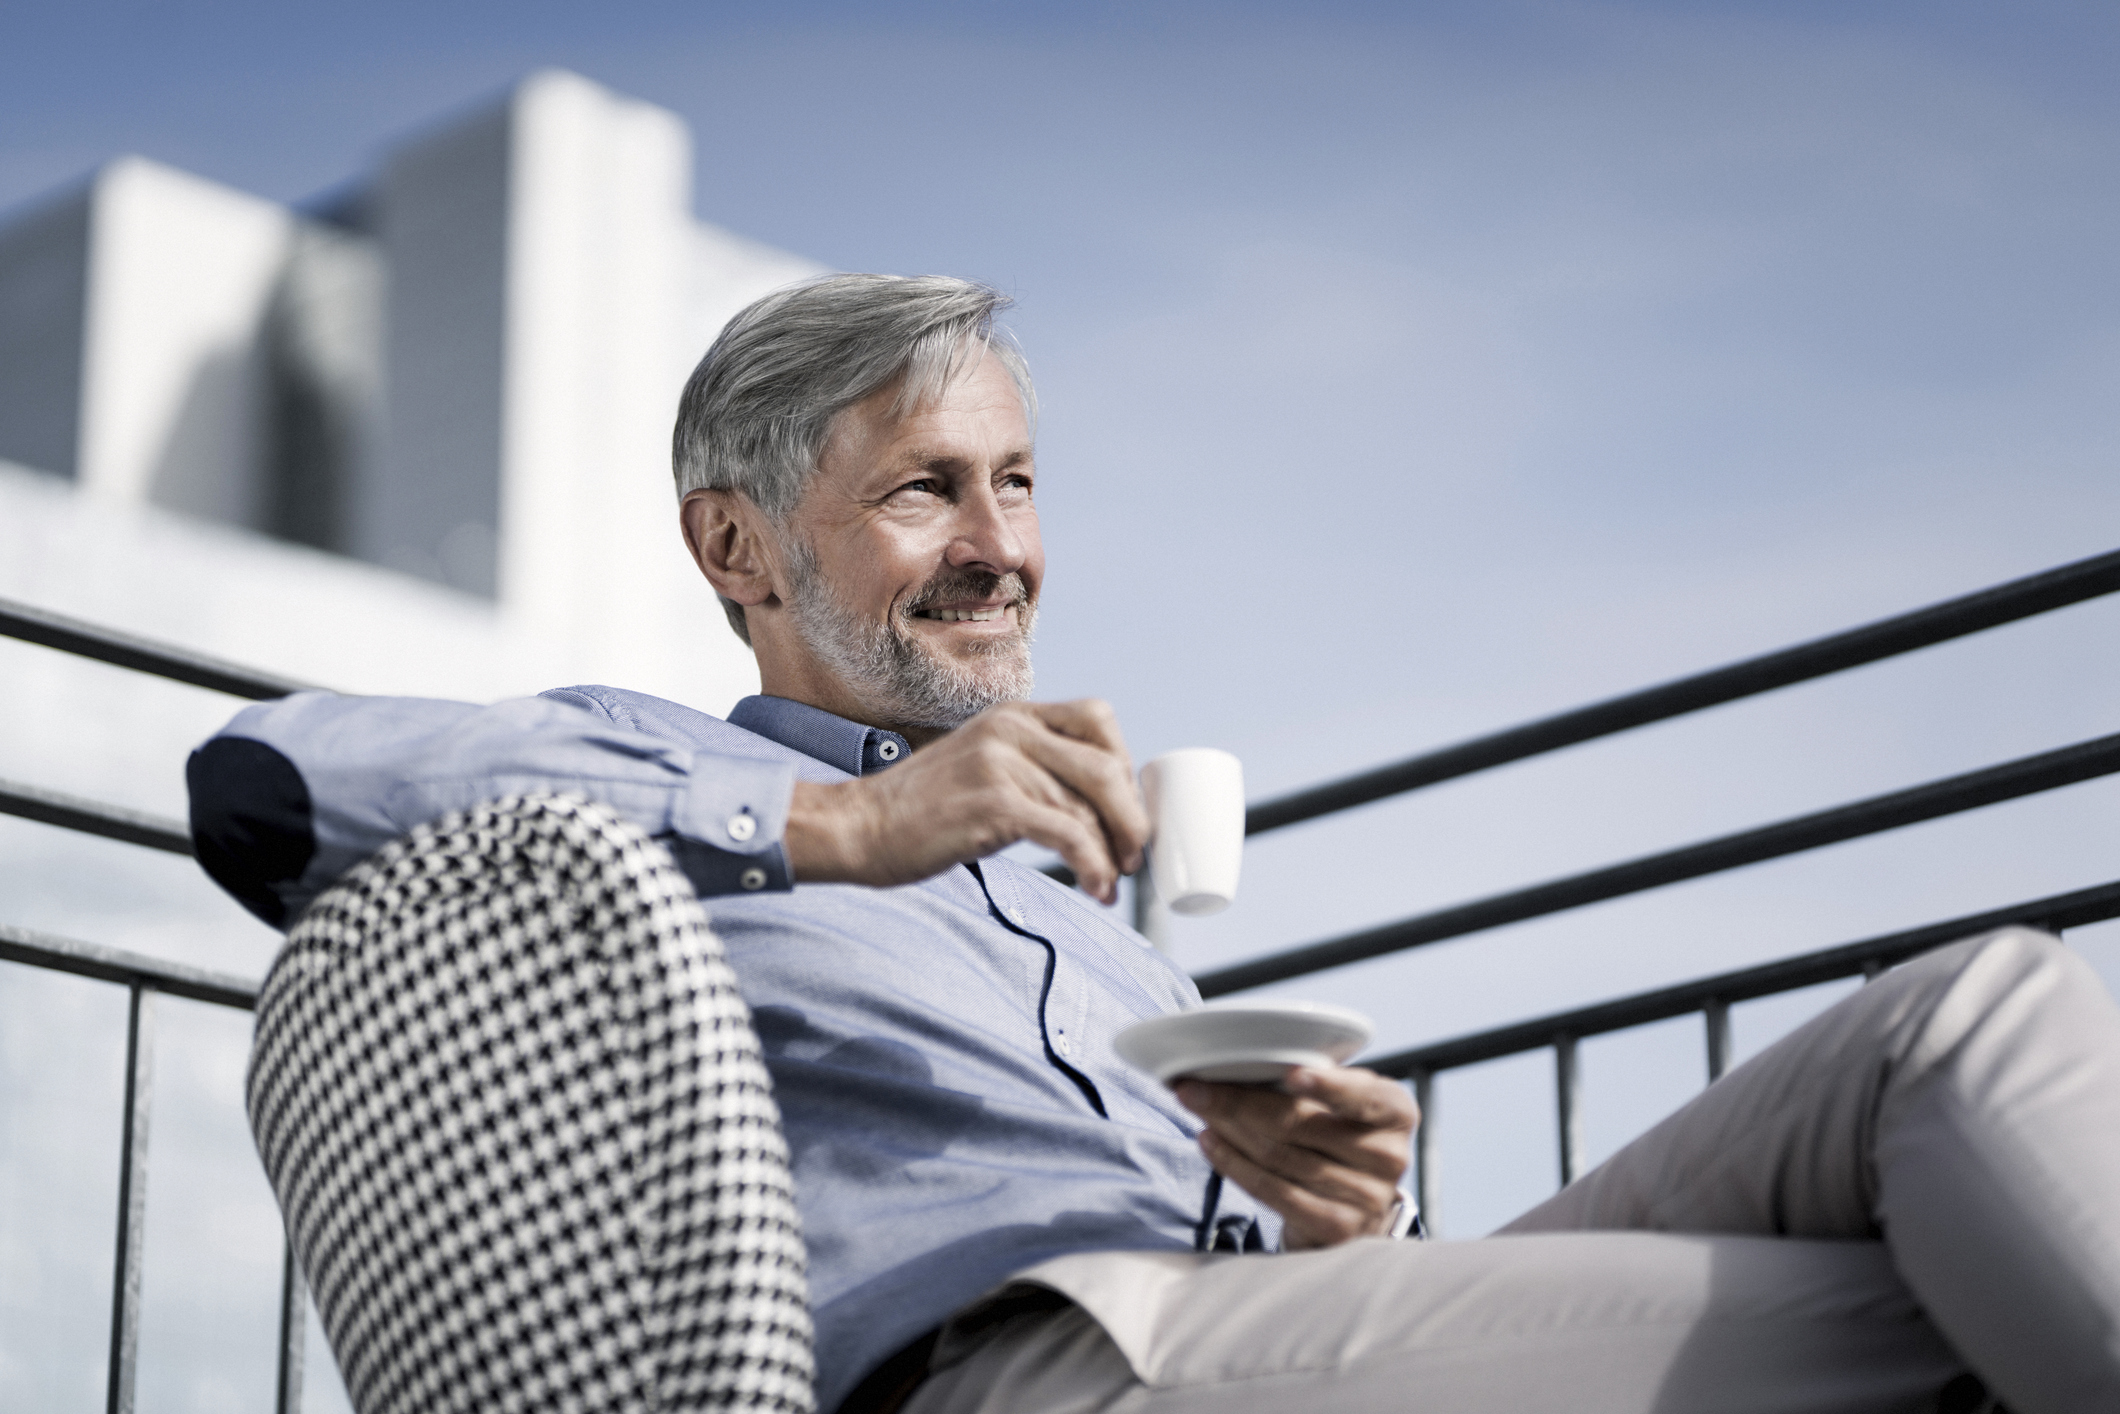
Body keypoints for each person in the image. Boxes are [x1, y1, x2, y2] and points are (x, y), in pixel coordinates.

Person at [189, 274, 2120, 1414]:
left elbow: (1313, 1301)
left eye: (1017, 481)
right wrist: (837, 823)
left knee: (1969, 1020)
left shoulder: (1087, 902)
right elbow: (265, 780)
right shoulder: (649, 766)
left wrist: (1332, 1202)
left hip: (1238, 1321)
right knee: (1934, 1307)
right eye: (925, 488)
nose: (1003, 544)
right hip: (1020, 1369)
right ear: (739, 548)